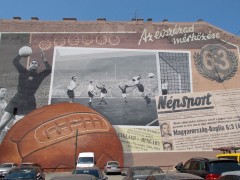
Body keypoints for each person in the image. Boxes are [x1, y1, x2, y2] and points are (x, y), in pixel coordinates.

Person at [0, 49, 51, 133]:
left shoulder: (39, 76)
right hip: (16, 101)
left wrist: (44, 59)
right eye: (32, 63)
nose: (34, 64)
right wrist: (21, 54)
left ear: (37, 66)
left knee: (19, 126)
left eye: (36, 64)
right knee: (3, 123)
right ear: (29, 65)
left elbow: (49, 69)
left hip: (28, 103)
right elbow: (15, 62)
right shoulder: (23, 72)